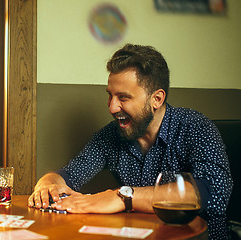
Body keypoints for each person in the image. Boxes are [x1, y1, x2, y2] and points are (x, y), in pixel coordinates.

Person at [28, 44, 233, 239]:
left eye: (123, 98)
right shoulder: (111, 135)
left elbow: (213, 194)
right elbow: (70, 175)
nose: (112, 107)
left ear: (157, 99)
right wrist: (49, 182)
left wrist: (122, 197)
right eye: (110, 96)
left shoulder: (195, 126)